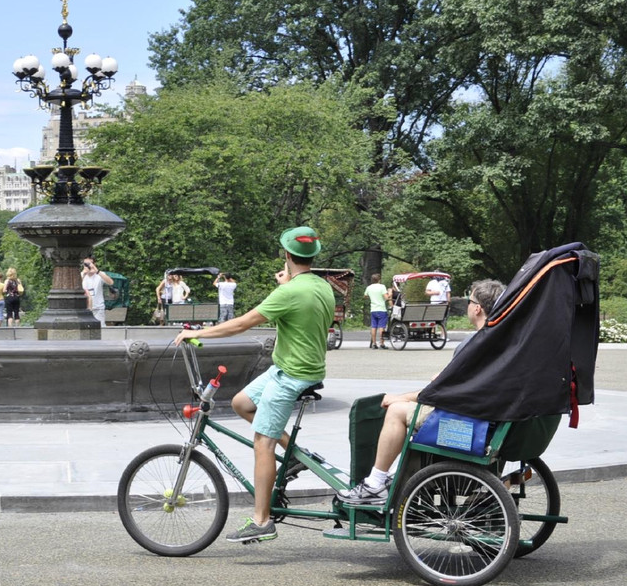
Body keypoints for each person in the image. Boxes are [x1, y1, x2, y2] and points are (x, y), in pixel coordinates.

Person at [173, 226, 336, 544]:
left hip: (292, 375)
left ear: (287, 256)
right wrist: (288, 282)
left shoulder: (289, 293)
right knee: (241, 403)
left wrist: (197, 333)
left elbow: (241, 323)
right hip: (302, 369)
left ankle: (262, 521)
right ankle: (294, 456)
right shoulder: (321, 286)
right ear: (312, 257)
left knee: (263, 444)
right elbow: (302, 303)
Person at [338, 279, 505, 505]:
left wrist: (402, 398)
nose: (468, 305)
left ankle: (375, 483)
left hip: (464, 424)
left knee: (396, 411)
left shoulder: (475, 342)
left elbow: (441, 390)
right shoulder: (499, 340)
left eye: (470, 300)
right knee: (403, 405)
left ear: (477, 308)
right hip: (481, 416)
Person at [82, 256, 114, 327]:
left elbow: (111, 282)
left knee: (100, 329)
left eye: (89, 264)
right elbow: (75, 287)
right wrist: (83, 274)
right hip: (85, 310)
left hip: (98, 308)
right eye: (85, 264)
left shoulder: (99, 275)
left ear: (94, 264)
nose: (88, 266)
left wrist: (97, 271)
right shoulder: (82, 275)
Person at [364, 273, 391, 349]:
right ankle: (382, 343)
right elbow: (386, 298)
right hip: (381, 309)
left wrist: (371, 296)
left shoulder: (369, 287)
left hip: (373, 310)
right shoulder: (382, 287)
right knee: (381, 327)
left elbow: (365, 296)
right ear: (379, 280)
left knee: (373, 326)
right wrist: (389, 294)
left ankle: (374, 344)